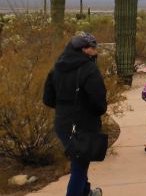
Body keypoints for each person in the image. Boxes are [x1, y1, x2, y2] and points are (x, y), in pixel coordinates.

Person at [43, 32, 107, 196]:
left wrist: (65, 108)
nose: (95, 51)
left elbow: (48, 99)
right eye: (93, 48)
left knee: (79, 159)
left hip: (62, 125)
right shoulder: (89, 69)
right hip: (83, 125)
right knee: (79, 167)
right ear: (84, 50)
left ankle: (86, 192)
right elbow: (99, 102)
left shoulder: (56, 67)